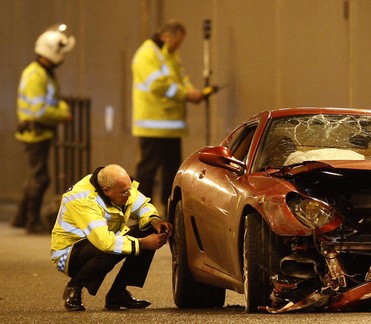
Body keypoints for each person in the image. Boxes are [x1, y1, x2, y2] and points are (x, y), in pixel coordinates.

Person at [50, 164, 173, 311]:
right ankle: (73, 288)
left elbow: (141, 205)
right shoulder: (84, 200)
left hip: (102, 239)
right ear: (106, 191)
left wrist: (155, 220)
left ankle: (118, 293)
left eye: (129, 189)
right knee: (110, 249)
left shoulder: (119, 186)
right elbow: (105, 243)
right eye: (124, 192)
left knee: (147, 229)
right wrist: (142, 244)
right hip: (69, 253)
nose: (129, 194)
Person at [131, 20, 218, 214]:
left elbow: (180, 79)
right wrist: (186, 94)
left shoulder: (169, 54)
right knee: (148, 170)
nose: (178, 46)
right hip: (153, 124)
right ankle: (140, 212)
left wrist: (192, 91)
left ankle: (169, 210)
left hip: (170, 125)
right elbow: (159, 85)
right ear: (166, 36)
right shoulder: (147, 55)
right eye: (176, 41)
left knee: (171, 170)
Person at [13, 24, 75, 233]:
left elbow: (53, 102)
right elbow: (40, 110)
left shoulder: (42, 74)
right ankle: (31, 221)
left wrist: (60, 109)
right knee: (40, 177)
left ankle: (20, 218)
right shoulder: (37, 75)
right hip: (35, 132)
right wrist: (62, 114)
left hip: (39, 132)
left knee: (35, 175)